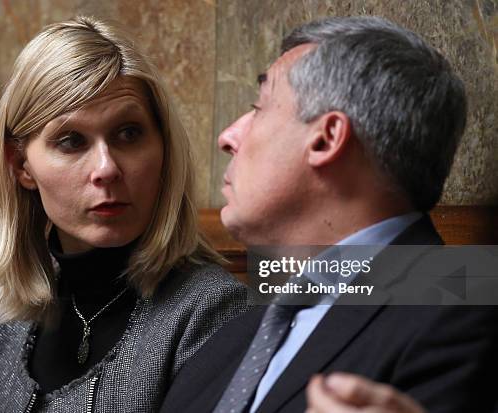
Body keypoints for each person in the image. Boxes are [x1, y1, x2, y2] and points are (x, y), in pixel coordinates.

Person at [160, 16, 498, 413]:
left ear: (326, 138)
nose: (227, 137)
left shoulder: (470, 310)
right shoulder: (229, 337)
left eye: (259, 108)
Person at [0, 16, 247, 413]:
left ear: (163, 147)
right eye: (72, 141)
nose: (106, 168)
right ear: (21, 166)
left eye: (128, 133)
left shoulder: (211, 309)